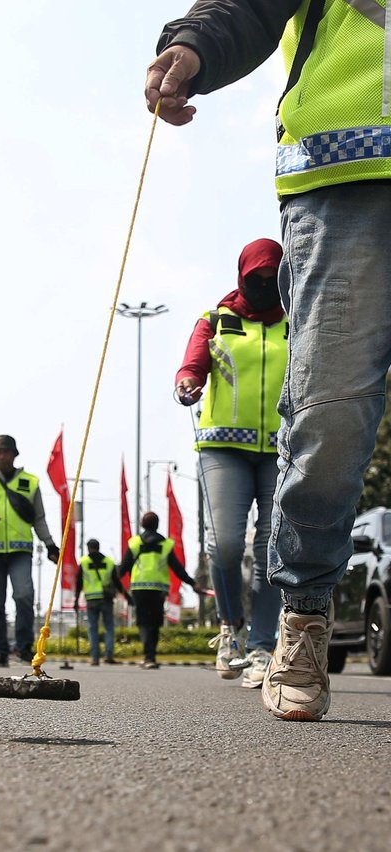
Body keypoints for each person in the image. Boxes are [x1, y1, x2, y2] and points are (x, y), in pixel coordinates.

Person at [145, 1, 388, 721]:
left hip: (259, 451)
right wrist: (192, 47)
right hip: (347, 171)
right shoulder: (218, 317)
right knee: (331, 416)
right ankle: (304, 615)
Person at [176, 238, 287, 687]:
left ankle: (262, 646)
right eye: (254, 280)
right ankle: (231, 628)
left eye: (271, 280)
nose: (263, 287)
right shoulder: (216, 319)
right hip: (223, 446)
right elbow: (192, 364)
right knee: (223, 543)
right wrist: (187, 382)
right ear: (241, 276)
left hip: (282, 449)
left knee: (270, 549)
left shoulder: (296, 319)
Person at [0, 435, 60, 666]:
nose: (2, 456)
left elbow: (39, 518)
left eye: (6, 452)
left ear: (15, 454)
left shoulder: (30, 482)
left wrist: (50, 545)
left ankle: (24, 648)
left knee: (24, 596)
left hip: (20, 550)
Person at [119, 511, 201, 669]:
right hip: (158, 589)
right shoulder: (165, 545)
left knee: (143, 622)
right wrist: (192, 583)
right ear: (157, 525)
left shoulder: (134, 543)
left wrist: (114, 584)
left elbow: (123, 568)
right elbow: (177, 568)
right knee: (155, 623)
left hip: (139, 588)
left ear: (142, 525)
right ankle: (152, 656)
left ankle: (147, 656)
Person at [74, 538, 132, 666]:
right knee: (109, 627)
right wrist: (127, 596)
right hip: (106, 599)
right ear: (99, 547)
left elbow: (78, 582)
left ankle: (95, 658)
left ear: (88, 548)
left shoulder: (84, 562)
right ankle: (108, 655)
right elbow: (117, 582)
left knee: (92, 628)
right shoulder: (109, 562)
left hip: (91, 599)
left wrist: (76, 600)